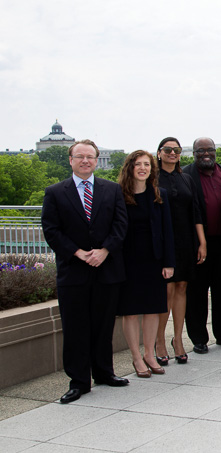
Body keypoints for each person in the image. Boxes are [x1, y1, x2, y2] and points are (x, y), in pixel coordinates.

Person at [42, 139, 129, 404]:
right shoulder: (55, 192)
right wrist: (78, 253)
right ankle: (79, 382)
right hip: (73, 271)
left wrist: (104, 251)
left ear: (96, 160)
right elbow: (51, 230)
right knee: (76, 328)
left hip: (106, 269)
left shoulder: (112, 190)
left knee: (103, 326)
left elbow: (120, 225)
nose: (85, 161)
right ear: (71, 160)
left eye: (90, 157)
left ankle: (104, 373)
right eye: (80, 156)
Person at [117, 151, 176, 378]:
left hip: (154, 260)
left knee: (153, 309)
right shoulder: (119, 194)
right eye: (138, 164)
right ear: (130, 167)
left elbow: (167, 231)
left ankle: (150, 354)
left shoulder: (159, 194)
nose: (143, 168)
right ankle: (136, 357)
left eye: (147, 165)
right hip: (128, 261)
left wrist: (169, 262)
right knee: (131, 312)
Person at [154, 137, 207, 365]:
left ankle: (178, 339)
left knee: (182, 287)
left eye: (176, 150)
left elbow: (196, 212)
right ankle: (159, 341)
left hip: (186, 240)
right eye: (168, 150)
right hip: (164, 241)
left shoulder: (186, 178)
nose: (172, 153)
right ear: (159, 153)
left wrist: (202, 242)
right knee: (165, 291)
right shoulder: (152, 178)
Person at [184, 138, 221, 352]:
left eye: (209, 150)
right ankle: (198, 338)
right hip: (200, 244)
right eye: (200, 150)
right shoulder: (186, 175)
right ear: (193, 153)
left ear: (215, 152)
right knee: (197, 293)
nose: (205, 154)